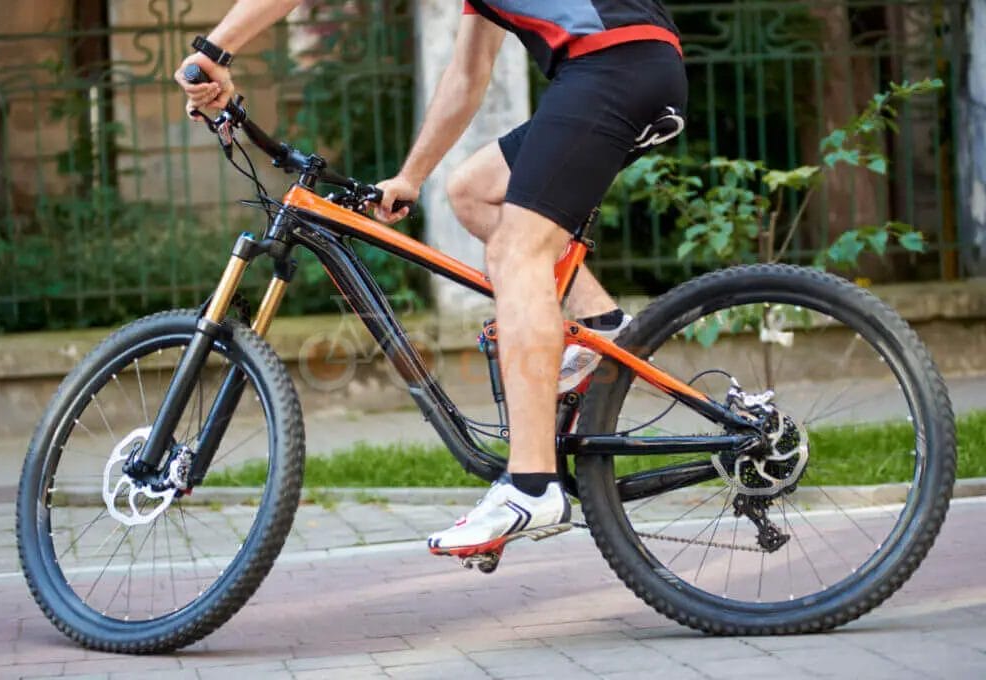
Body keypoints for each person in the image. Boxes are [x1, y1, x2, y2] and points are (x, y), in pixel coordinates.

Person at [176, 0, 687, 557]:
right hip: (628, 65)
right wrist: (411, 176)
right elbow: (467, 75)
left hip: (610, 64)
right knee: (473, 191)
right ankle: (602, 327)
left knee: (520, 251)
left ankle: (532, 485)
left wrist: (212, 50)